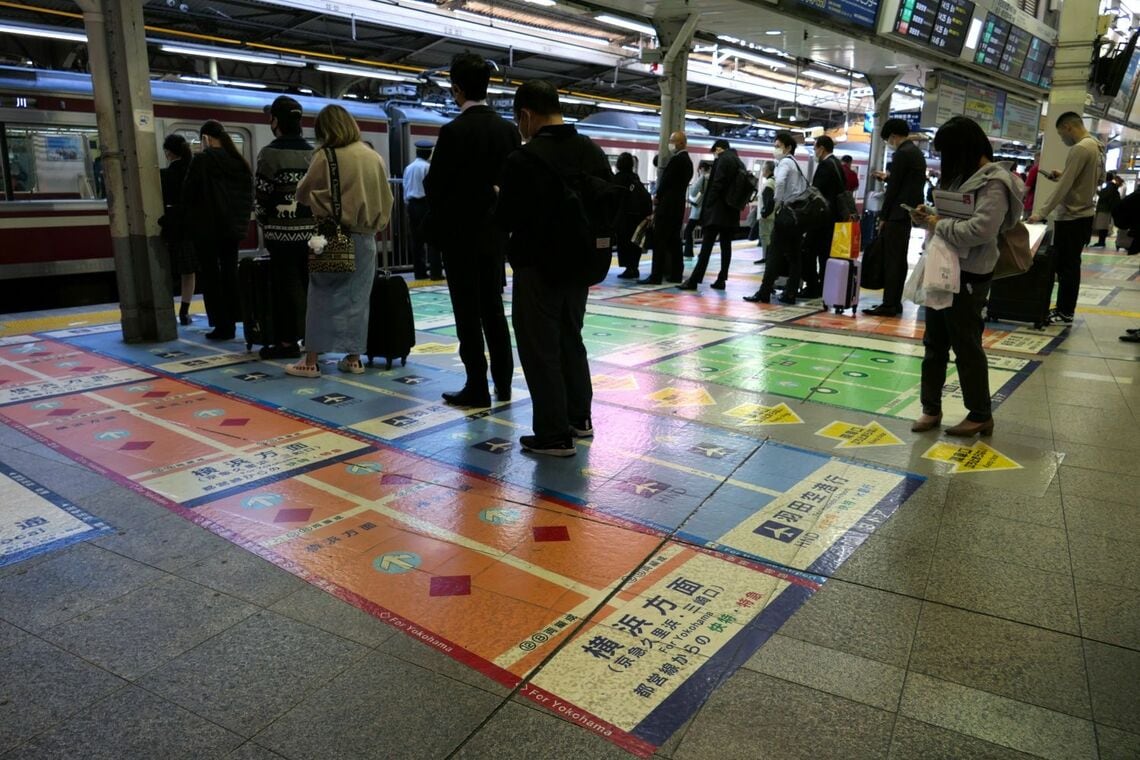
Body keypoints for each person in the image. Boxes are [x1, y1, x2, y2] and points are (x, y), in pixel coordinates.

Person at [495, 80, 613, 456]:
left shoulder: (523, 159)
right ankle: (579, 420)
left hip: (537, 269)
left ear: (527, 115)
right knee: (570, 338)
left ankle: (552, 435)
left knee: (539, 347)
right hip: (581, 267)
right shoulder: (592, 152)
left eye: (518, 120)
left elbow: (506, 218)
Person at [909, 116, 1024, 437]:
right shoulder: (963, 177)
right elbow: (950, 219)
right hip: (941, 267)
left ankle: (980, 413)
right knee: (934, 343)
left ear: (964, 149)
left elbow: (980, 230)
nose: (945, 162)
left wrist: (935, 224)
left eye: (948, 154)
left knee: (966, 344)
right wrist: (927, 217)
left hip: (970, 275)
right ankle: (930, 408)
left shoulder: (995, 183)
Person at [424, 53, 520, 407]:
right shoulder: (509, 130)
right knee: (494, 309)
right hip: (495, 237)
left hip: (460, 238)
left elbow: (436, 188)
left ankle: (476, 387)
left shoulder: (453, 132)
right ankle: (505, 384)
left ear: (457, 89)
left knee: (467, 313)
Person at [286, 105, 393, 377]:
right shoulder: (372, 157)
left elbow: (301, 193)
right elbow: (387, 200)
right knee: (358, 299)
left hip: (331, 237)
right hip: (366, 238)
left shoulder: (325, 156)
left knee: (321, 295)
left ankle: (310, 361)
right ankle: (354, 358)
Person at [1027, 112, 1105, 325]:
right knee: (1071, 265)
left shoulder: (1079, 148)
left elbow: (1064, 188)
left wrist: (1040, 213)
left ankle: (1065, 312)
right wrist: (1065, 174)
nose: (1063, 139)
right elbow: (1098, 179)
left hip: (1072, 216)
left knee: (1066, 268)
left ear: (1069, 127)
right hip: (1085, 216)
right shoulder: (1097, 147)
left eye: (1062, 134)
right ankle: (1065, 310)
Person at [181, 120, 253, 341]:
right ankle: (235, 321)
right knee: (230, 274)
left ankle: (222, 326)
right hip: (232, 230)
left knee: (212, 277)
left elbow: (188, 192)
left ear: (205, 139)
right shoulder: (239, 162)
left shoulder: (202, 160)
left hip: (208, 229)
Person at [255, 96, 315, 359]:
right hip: (313, 235)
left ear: (275, 121)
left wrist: (265, 223)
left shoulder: (270, 154)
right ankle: (313, 340)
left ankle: (287, 342)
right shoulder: (313, 153)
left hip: (281, 236)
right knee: (311, 287)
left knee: (284, 288)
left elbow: (262, 197)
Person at [862, 118, 926, 317]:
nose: (888, 143)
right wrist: (888, 177)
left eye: (888, 139)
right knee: (897, 260)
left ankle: (889, 304)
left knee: (892, 260)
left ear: (893, 136)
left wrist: (883, 216)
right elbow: (907, 181)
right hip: (906, 213)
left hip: (897, 215)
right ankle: (894, 302)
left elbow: (894, 190)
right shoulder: (915, 153)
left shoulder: (902, 154)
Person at [745, 132, 807, 304]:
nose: (775, 149)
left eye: (778, 146)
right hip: (796, 216)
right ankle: (790, 292)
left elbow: (779, 183)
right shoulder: (796, 163)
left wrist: (777, 203)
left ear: (788, 148)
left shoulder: (785, 162)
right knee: (795, 256)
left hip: (786, 213)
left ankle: (764, 292)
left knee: (774, 254)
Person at [680, 138, 740, 291]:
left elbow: (717, 185)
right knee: (726, 247)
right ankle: (721, 279)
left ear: (718, 149)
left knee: (706, 247)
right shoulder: (738, 161)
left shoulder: (722, 159)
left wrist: (707, 206)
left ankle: (694, 280)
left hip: (717, 212)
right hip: (731, 212)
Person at [640, 131, 693, 284]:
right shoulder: (688, 162)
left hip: (667, 207)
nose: (670, 143)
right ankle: (677, 274)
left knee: (660, 241)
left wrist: (657, 197)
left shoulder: (677, 160)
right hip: (678, 207)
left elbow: (666, 183)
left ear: (682, 143)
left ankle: (656, 275)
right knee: (675, 242)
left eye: (672, 140)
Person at [800, 136, 847, 298]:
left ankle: (813, 287)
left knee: (810, 250)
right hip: (834, 218)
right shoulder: (838, 164)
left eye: (815, 148)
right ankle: (824, 287)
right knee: (825, 253)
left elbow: (817, 193)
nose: (814, 151)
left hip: (822, 219)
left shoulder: (825, 165)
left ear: (822, 148)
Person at [159, 134, 197, 326]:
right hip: (190, 228)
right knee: (188, 272)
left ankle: (165, 310)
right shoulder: (194, 171)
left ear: (168, 152)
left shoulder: (164, 175)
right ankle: (184, 311)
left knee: (165, 268)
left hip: (170, 227)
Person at [403, 140, 442, 280]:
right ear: (429, 152)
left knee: (417, 241)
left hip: (412, 206)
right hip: (426, 205)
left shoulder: (409, 168)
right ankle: (435, 273)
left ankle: (419, 273)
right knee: (432, 239)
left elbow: (405, 187)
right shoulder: (428, 167)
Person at [613, 152, 649, 279]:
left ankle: (629, 269)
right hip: (637, 216)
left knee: (624, 243)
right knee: (635, 242)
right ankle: (634, 267)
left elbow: (614, 199)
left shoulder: (618, 178)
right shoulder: (635, 177)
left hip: (624, 217)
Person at [683, 162, 709, 259]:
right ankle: (703, 253)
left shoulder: (702, 178)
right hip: (707, 211)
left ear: (701, 168)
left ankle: (688, 252)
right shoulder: (712, 178)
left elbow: (693, 192)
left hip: (697, 211)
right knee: (706, 233)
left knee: (688, 230)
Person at [1092, 171, 1121, 248]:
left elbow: (1103, 195)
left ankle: (1101, 242)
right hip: (1107, 209)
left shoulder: (1109, 187)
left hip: (1104, 209)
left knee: (1102, 226)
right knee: (1103, 226)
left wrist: (1096, 190)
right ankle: (1101, 241)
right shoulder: (1112, 186)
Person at [754, 160, 775, 265]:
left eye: (763, 169)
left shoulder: (769, 183)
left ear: (768, 170)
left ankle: (766, 257)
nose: (762, 171)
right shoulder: (774, 181)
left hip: (767, 217)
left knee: (765, 237)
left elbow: (769, 201)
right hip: (771, 216)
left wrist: (763, 214)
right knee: (768, 237)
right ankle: (767, 257)